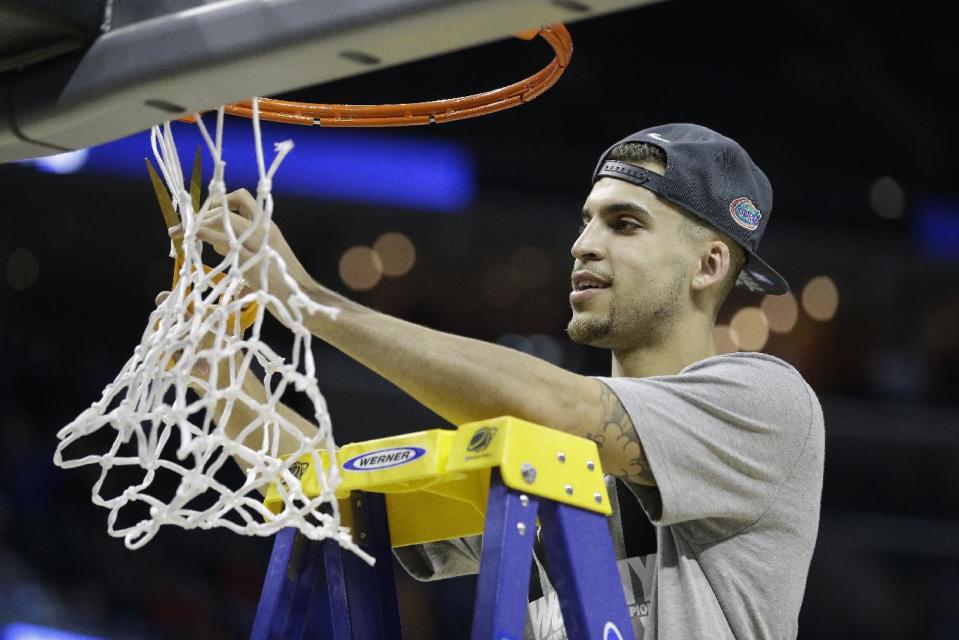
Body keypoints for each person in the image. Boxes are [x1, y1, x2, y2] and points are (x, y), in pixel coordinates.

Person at [174, 122, 825, 639]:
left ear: (709, 264)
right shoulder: (553, 446)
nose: (583, 244)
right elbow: (334, 506)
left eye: (623, 223)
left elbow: (561, 409)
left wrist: (314, 304)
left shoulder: (767, 402)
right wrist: (217, 374)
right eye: (586, 219)